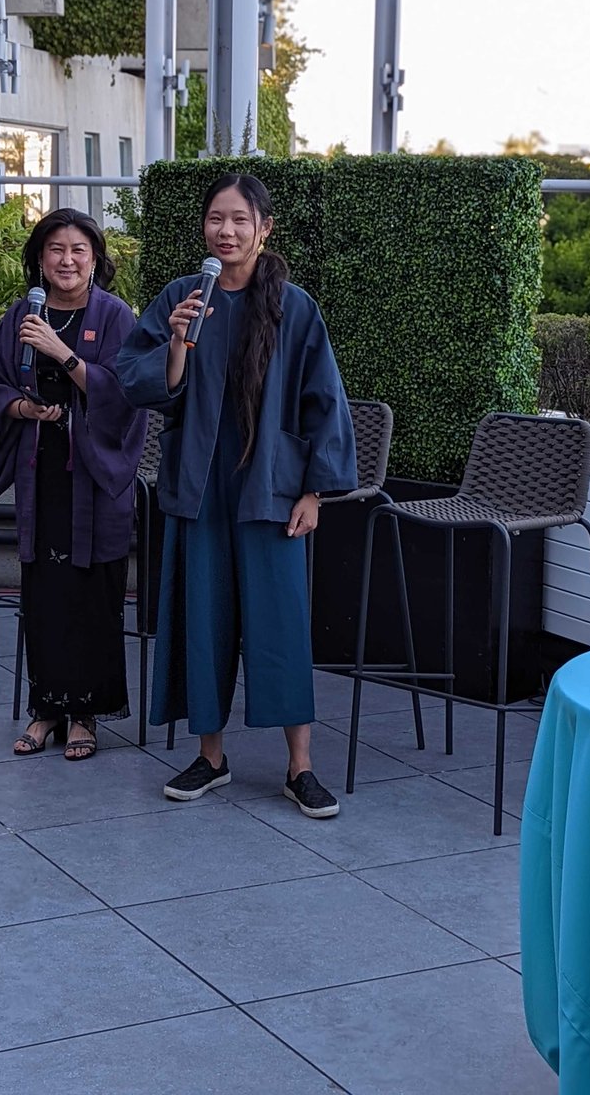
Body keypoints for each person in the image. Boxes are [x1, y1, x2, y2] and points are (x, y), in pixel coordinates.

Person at [116, 173, 357, 817]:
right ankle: (211, 757)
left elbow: (323, 401)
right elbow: (141, 383)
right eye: (216, 220)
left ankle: (299, 766)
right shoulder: (181, 296)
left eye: (239, 220)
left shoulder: (294, 306)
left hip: (270, 488)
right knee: (203, 618)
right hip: (199, 483)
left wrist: (316, 492)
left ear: (263, 228)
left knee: (280, 624)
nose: (226, 231)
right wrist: (175, 343)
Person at [0, 208, 147, 760]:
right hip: (40, 470)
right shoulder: (21, 315)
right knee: (45, 594)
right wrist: (24, 407)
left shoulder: (116, 316)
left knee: (91, 596)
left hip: (94, 480)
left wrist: (62, 353)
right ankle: (46, 708)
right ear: (40, 259)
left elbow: (126, 395)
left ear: (96, 257)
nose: (67, 260)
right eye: (56, 249)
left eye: (79, 249)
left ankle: (86, 716)